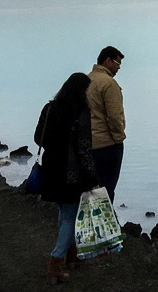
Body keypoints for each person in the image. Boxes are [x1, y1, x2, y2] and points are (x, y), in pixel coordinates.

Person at [36, 72, 99, 286]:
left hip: (51, 168)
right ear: (81, 91)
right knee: (70, 217)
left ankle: (71, 256)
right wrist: (92, 177)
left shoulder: (50, 107)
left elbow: (38, 138)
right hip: (71, 173)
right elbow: (84, 149)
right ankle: (55, 262)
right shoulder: (81, 113)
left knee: (64, 213)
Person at [87, 46, 126, 203]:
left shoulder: (86, 80)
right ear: (108, 61)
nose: (118, 68)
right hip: (107, 144)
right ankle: (106, 224)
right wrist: (119, 138)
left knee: (93, 188)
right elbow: (114, 116)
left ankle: (89, 222)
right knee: (107, 190)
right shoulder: (109, 83)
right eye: (117, 63)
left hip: (88, 144)